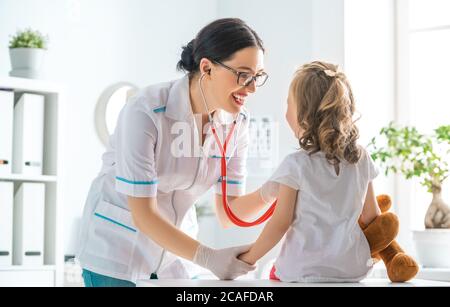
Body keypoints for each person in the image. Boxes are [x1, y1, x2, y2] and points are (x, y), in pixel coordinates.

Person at [76, 18, 272, 287]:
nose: (251, 88)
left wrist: (277, 188)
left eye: (257, 77)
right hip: (118, 255)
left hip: (175, 262)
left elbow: (230, 212)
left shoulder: (237, 124)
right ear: (207, 68)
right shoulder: (146, 111)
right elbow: (144, 213)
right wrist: (208, 257)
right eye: (243, 74)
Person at [239, 61, 382, 282]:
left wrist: (247, 259)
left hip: (302, 269)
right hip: (352, 269)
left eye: (289, 104)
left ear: (303, 115)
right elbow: (371, 217)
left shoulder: (296, 164)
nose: (286, 110)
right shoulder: (361, 158)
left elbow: (279, 224)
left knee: (273, 272)